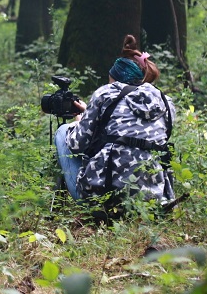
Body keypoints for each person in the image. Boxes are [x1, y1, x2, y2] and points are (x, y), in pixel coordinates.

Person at [55, 34, 175, 206]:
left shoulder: (105, 93)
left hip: (106, 199)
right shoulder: (165, 101)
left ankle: (66, 202)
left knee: (63, 132)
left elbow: (76, 145)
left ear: (114, 79)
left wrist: (80, 122)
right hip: (153, 200)